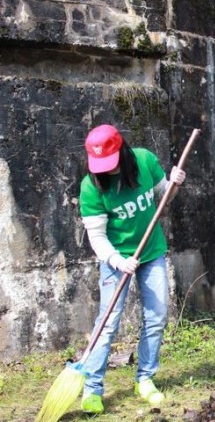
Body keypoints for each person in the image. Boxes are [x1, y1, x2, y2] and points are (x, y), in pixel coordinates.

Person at [78, 124, 186, 414]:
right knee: (107, 321)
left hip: (151, 251)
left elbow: (163, 198)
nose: (106, 170)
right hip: (116, 258)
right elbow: (97, 238)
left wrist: (173, 184)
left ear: (123, 151)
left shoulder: (144, 161)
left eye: (110, 163)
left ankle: (145, 378)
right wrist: (117, 261)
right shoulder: (91, 186)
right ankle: (92, 388)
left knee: (157, 315)